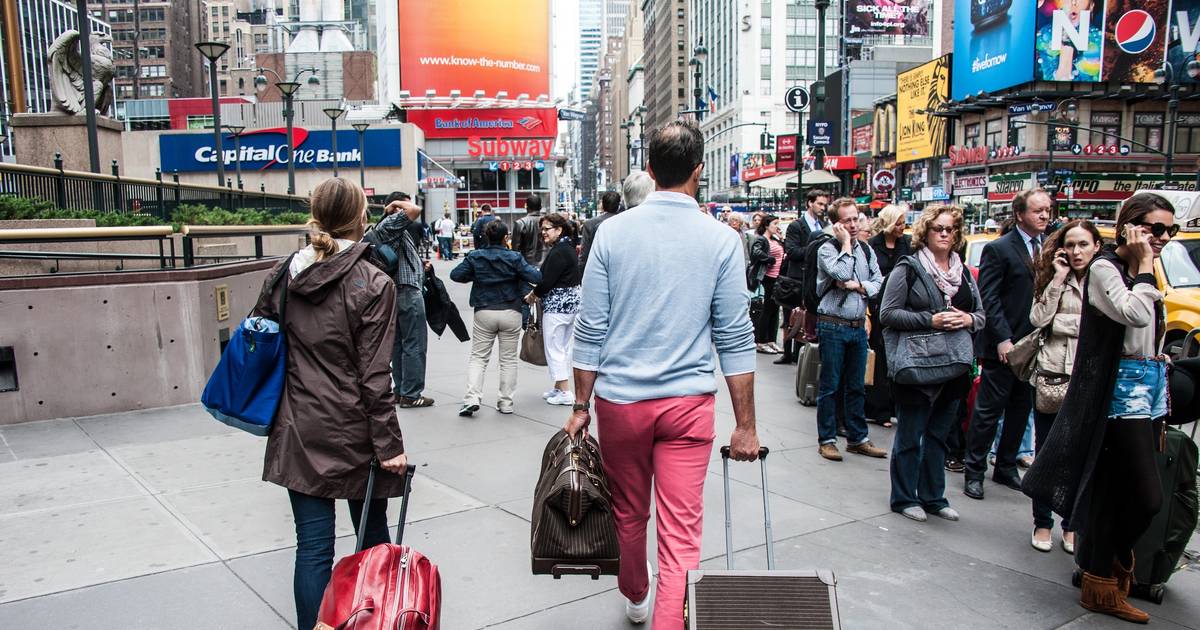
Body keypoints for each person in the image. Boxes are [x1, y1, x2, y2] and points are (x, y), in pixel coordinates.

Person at [566, 120, 761, 629]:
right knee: (682, 535)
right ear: (699, 170)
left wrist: (579, 405)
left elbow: (590, 327)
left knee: (629, 513)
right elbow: (735, 339)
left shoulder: (612, 232)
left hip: (621, 403)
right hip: (687, 404)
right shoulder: (721, 240)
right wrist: (745, 424)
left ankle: (635, 592)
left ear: (649, 171)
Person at [253, 178, 408, 630]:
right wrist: (390, 444)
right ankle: (372, 621)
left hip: (298, 425)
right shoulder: (372, 281)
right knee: (372, 540)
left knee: (313, 546)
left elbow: (262, 339)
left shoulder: (284, 274)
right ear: (361, 219)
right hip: (356, 430)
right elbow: (375, 375)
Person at [1024, 194, 1175, 624]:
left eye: (1169, 230)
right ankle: (1103, 569)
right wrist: (1145, 268)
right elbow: (1134, 314)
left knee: (1121, 492)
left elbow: (1147, 330)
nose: (1161, 238)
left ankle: (1100, 577)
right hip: (1118, 395)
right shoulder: (1105, 268)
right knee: (1146, 496)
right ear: (1129, 227)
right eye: (1154, 229)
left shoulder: (1137, 267)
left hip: (1148, 388)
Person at [879, 204, 983, 522]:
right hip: (917, 365)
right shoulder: (908, 268)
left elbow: (980, 315)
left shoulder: (962, 272)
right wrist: (931, 319)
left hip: (953, 366)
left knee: (939, 435)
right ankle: (904, 497)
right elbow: (888, 313)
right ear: (925, 231)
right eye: (938, 228)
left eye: (950, 229)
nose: (944, 234)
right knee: (911, 435)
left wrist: (966, 317)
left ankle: (934, 497)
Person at [963, 188, 1051, 500]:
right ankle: (974, 470)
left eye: (1047, 210)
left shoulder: (1049, 248)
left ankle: (1006, 466)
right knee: (988, 411)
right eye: (1037, 210)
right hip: (1005, 344)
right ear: (1019, 214)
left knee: (1020, 408)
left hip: (1035, 346)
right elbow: (989, 298)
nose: (1044, 216)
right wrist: (1002, 339)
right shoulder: (999, 249)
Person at [1026, 219, 1101, 554]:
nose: (1076, 252)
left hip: (1087, 378)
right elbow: (1038, 319)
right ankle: (1042, 522)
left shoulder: (1105, 280)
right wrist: (1057, 278)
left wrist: (1065, 324)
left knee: (1080, 457)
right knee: (1046, 453)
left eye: (1083, 244)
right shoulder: (1054, 278)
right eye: (1070, 245)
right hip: (1053, 375)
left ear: (1097, 246)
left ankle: (1071, 524)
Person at [815, 198, 888, 461]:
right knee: (830, 386)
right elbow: (841, 273)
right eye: (847, 220)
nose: (854, 224)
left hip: (858, 326)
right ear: (836, 224)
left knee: (857, 386)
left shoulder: (867, 250)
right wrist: (845, 243)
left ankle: (858, 438)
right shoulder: (827, 249)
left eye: (856, 218)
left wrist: (859, 286)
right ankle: (827, 439)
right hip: (832, 324)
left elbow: (878, 282)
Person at [450, 220, 542, 416]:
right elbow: (535, 277)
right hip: (511, 310)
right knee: (508, 360)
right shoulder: (515, 258)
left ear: (485, 236)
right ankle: (506, 403)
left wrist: (476, 274)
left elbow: (456, 275)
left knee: (478, 358)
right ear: (505, 237)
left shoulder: (476, 257)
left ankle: (472, 398)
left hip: (484, 310)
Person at [373, 196, 436, 408]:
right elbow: (415, 209)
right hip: (407, 291)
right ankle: (411, 393)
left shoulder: (388, 227)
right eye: (402, 204)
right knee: (415, 342)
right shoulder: (391, 223)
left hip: (397, 290)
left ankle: (401, 391)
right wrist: (397, 205)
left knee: (400, 343)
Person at [528, 213, 582, 406]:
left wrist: (533, 295)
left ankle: (565, 391)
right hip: (572, 305)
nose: (543, 233)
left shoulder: (559, 251)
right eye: (542, 229)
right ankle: (560, 386)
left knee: (554, 347)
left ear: (559, 230)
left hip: (557, 307)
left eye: (547, 229)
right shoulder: (567, 248)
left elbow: (546, 281)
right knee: (563, 347)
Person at [866, 204, 912, 429]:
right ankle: (879, 409)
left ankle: (895, 406)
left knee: (898, 354)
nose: (902, 227)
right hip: (877, 306)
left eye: (904, 223)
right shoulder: (873, 245)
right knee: (879, 357)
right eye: (899, 223)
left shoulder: (908, 244)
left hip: (902, 306)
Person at [777, 189, 831, 363]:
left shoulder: (822, 226)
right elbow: (792, 251)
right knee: (791, 317)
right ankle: (787, 352)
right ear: (810, 203)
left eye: (825, 204)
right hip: (796, 279)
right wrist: (816, 249)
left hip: (812, 278)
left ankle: (801, 353)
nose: (823, 207)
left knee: (806, 317)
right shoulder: (797, 225)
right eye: (820, 204)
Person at [749, 215, 785, 354]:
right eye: (775, 223)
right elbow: (756, 252)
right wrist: (769, 259)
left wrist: (782, 239)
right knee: (767, 310)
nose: (777, 226)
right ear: (767, 225)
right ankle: (761, 340)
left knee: (774, 310)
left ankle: (771, 340)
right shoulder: (762, 239)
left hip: (777, 278)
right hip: (767, 277)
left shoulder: (775, 239)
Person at [580, 190, 623, 272]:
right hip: (620, 268)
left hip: (596, 268)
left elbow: (584, 252)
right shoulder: (625, 222)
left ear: (602, 205)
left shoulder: (589, 224)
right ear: (618, 205)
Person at [511, 195, 547, 265]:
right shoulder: (549, 222)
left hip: (526, 265)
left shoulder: (520, 223)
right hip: (546, 264)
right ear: (541, 207)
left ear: (526, 206)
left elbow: (515, 250)